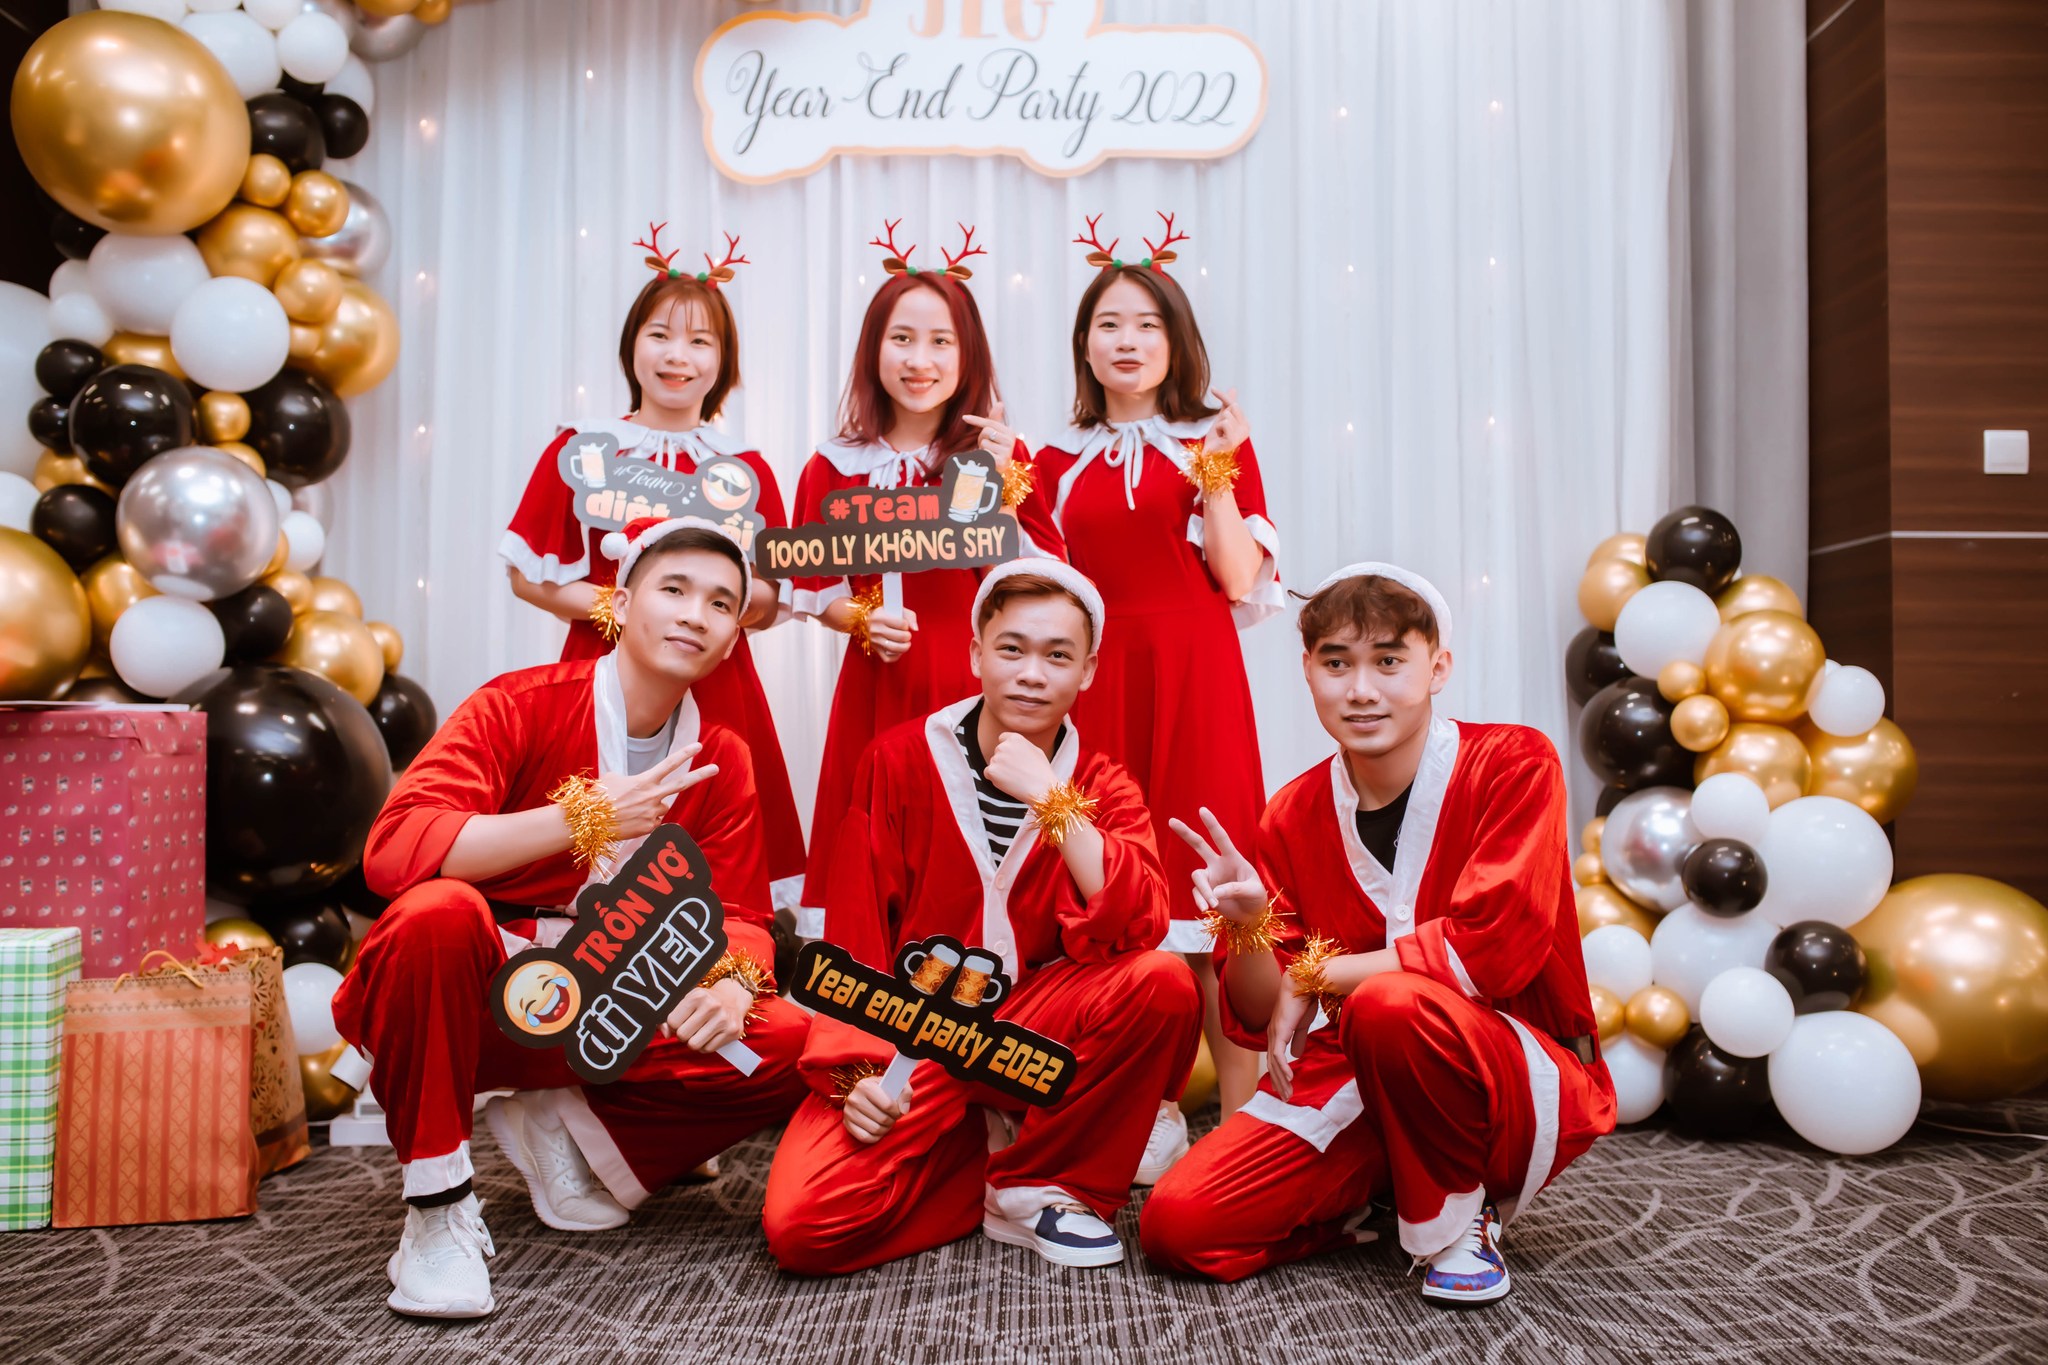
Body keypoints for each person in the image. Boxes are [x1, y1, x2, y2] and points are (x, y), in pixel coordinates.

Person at [334, 518, 809, 1319]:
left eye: (720, 603)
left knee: (783, 1041)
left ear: (734, 635)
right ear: (619, 605)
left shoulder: (721, 756)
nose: (695, 614)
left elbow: (737, 912)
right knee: (436, 912)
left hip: (605, 1000)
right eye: (674, 589)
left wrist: (732, 983)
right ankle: (437, 1209)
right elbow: (393, 851)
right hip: (472, 998)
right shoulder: (517, 704)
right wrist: (580, 818)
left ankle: (568, 1123)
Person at [1137, 564, 1617, 1306]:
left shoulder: (1514, 763)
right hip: (1356, 1076)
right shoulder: (1291, 814)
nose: (1361, 689)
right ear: (1308, 671)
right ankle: (1366, 1204)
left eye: (1389, 661)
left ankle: (1458, 1219)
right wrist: (1251, 926)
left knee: (1388, 1001)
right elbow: (1261, 1014)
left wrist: (1321, 974)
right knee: (1179, 1225)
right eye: (1337, 664)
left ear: (1438, 667)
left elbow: (1492, 948)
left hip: (1504, 1073)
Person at [761, 559, 1201, 1272]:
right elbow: (856, 936)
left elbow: (1142, 923)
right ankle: (989, 1140)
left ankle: (1041, 1184)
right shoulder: (896, 760)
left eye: (1057, 656)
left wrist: (1053, 802)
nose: (1031, 674)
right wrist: (859, 1075)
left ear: (1088, 670)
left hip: (1033, 1034)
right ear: (975, 654)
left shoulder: (1102, 781)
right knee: (805, 1225)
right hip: (913, 1032)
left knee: (1163, 980)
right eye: (1011, 649)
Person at [1012, 213, 1281, 1168]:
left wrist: (1218, 468)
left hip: (1196, 673)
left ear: (1176, 339)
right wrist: (1006, 484)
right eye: (1108, 324)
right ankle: (1143, 1112)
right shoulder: (1051, 456)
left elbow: (1239, 578)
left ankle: (1243, 1123)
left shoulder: (1213, 439)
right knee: (1112, 879)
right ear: (1084, 344)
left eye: (1147, 324)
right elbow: (1042, 581)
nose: (1126, 341)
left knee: (1212, 889)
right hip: (1098, 679)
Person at [501, 224, 806, 905]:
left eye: (701, 341)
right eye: (660, 334)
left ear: (723, 361)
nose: (677, 356)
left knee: (712, 855)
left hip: (715, 677)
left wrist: (720, 611)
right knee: (587, 845)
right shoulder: (584, 450)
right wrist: (623, 610)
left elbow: (772, 596)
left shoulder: (745, 469)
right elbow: (528, 574)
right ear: (631, 346)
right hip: (601, 667)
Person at [787, 220, 1044, 935]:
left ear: (968, 355)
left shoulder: (998, 456)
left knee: (970, 847)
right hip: (878, 684)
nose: (919, 360)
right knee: (872, 849)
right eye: (901, 338)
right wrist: (862, 619)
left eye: (941, 342)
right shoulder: (833, 465)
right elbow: (813, 589)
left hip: (974, 686)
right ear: (874, 349)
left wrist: (1004, 479)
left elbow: (1033, 583)